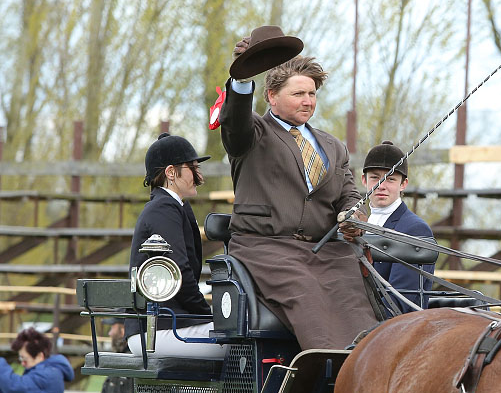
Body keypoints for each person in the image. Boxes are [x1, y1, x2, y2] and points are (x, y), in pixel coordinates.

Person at [219, 27, 378, 350]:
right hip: (266, 248)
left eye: (312, 94)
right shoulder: (253, 135)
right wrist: (241, 77)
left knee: (358, 306)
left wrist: (353, 214)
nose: (308, 102)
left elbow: (349, 193)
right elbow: (235, 122)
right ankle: (324, 372)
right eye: (298, 94)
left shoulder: (332, 146)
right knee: (308, 299)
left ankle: (367, 371)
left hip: (326, 251)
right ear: (272, 97)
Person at [126, 133, 224, 359]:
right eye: (192, 168)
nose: (199, 176)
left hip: (165, 326)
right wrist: (207, 315)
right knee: (239, 343)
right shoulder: (164, 210)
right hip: (154, 331)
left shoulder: (171, 206)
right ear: (171, 172)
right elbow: (179, 273)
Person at [362, 141, 434, 311]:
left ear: (403, 184)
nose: (381, 186)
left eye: (391, 179)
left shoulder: (415, 230)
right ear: (364, 180)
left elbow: (400, 306)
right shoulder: (357, 225)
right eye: (375, 177)